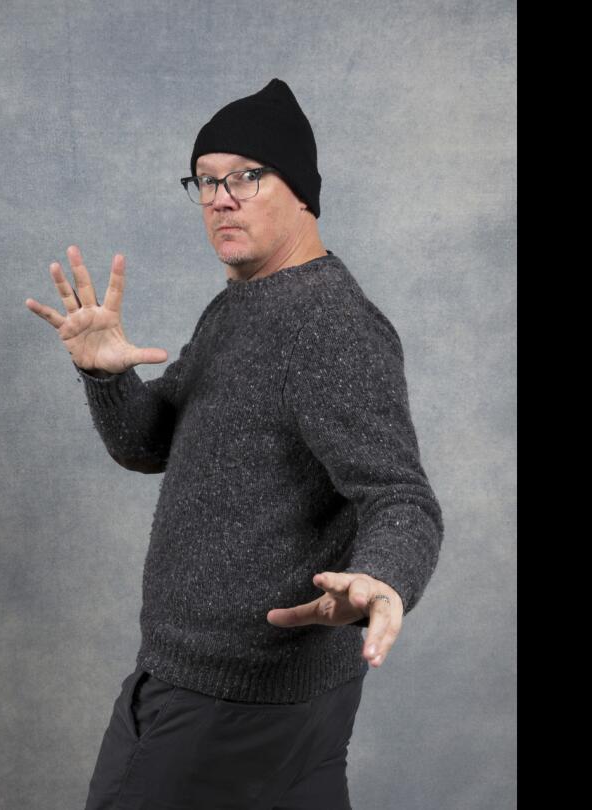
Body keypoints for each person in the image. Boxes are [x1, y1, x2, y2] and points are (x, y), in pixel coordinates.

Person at [25, 78, 444, 810]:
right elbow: (149, 445)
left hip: (230, 702)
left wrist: (381, 576)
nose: (220, 197)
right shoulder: (240, 306)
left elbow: (401, 498)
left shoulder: (327, 321)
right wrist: (105, 377)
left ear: (302, 192)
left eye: (247, 177)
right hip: (254, 690)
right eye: (207, 180)